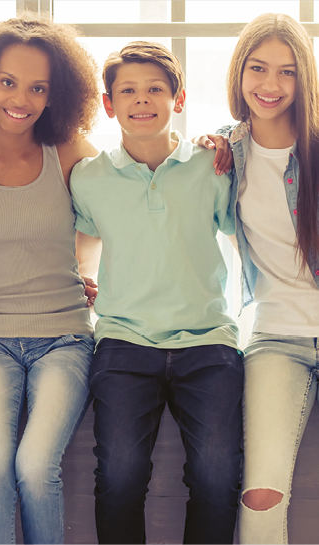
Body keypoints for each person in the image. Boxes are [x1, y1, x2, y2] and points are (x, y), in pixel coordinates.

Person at [71, 41, 243, 544]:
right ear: (109, 104)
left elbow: (248, 237)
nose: (141, 100)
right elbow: (79, 253)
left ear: (180, 99)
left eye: (155, 90)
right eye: (127, 90)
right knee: (120, 478)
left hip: (208, 343)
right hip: (124, 344)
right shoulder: (89, 178)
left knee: (216, 477)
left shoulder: (212, 167)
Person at [0, 13, 99, 544]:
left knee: (35, 467)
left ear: (57, 96)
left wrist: (82, 275)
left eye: (38, 87)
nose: (21, 99)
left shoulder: (73, 153)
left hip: (67, 340)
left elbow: (112, 219)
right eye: (8, 81)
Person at [198, 12, 319, 544]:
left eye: (288, 72)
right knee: (261, 493)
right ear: (238, 72)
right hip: (276, 336)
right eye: (258, 68)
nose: (271, 86)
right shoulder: (225, 152)